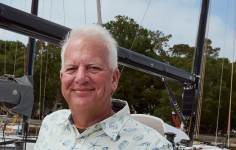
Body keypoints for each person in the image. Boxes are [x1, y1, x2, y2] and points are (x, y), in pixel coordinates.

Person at [34, 25, 172, 150]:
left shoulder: (154, 146)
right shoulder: (50, 124)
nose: (80, 78)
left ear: (114, 78)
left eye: (93, 68)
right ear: (62, 77)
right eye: (71, 68)